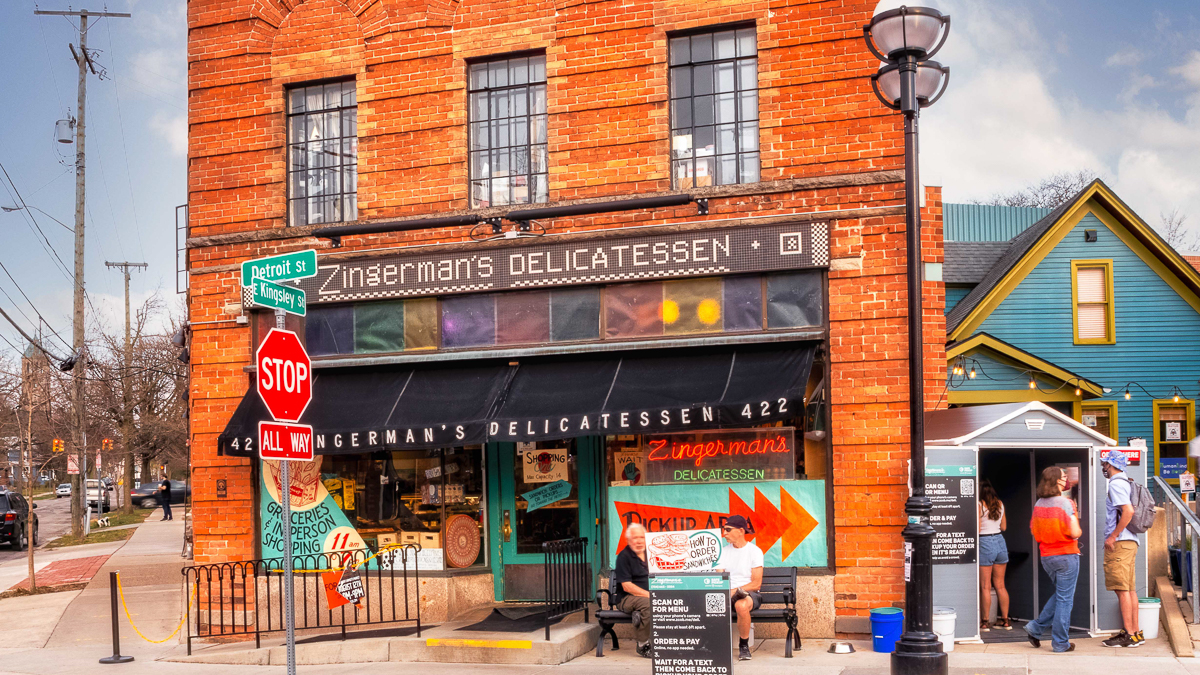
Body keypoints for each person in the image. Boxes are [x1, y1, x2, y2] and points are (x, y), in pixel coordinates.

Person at [1025, 466, 1082, 653]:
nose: (1067, 479)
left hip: (1047, 556)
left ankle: (1036, 628)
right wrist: (1078, 530)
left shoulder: (1038, 504)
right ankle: (1060, 643)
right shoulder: (1066, 503)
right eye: (1065, 476)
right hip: (1066, 555)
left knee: (1060, 594)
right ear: (1058, 481)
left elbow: (1034, 529)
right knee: (1065, 599)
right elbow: (1075, 532)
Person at [1101, 450, 1142, 648]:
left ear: (1112, 464)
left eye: (1106, 464)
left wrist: (1113, 536)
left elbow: (1128, 511)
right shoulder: (1127, 482)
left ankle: (1129, 635)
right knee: (1130, 589)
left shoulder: (1116, 484)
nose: (1104, 467)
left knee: (1121, 589)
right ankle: (1135, 633)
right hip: (1131, 542)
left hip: (1121, 543)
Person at [719, 514, 764, 661]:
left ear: (740, 531)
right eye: (724, 529)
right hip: (725, 593)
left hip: (749, 593)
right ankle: (710, 645)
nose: (724, 533)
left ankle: (743, 646)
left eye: (728, 529)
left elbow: (756, 583)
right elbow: (719, 577)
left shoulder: (754, 551)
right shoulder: (723, 551)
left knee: (741, 605)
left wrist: (735, 590)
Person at [613, 523, 652, 657]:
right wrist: (651, 595)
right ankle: (642, 644)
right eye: (635, 538)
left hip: (647, 595)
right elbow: (627, 586)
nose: (639, 541)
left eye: (642, 537)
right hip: (626, 598)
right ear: (629, 540)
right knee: (649, 605)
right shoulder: (624, 556)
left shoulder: (651, 552)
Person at [978, 480, 1011, 631]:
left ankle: (985, 622)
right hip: (1000, 541)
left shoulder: (979, 505)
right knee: (1000, 585)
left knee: (986, 586)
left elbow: (977, 529)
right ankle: (1005, 621)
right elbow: (1003, 527)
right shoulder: (1000, 504)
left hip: (985, 541)